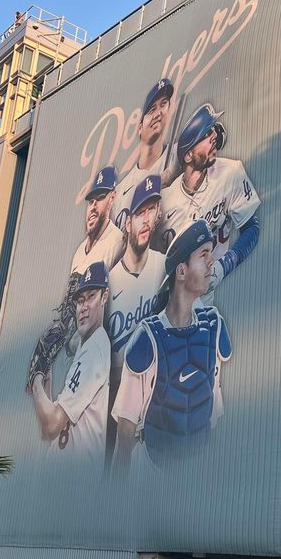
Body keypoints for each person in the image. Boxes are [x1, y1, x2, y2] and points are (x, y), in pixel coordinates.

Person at [111, 220, 232, 476]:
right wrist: (115, 504)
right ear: (181, 272)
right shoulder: (148, 338)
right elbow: (124, 434)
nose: (211, 262)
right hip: (152, 477)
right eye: (203, 255)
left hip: (196, 477)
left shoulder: (213, 327)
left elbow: (214, 413)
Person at [155, 103, 260, 289]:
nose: (214, 137)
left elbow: (252, 228)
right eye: (205, 135)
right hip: (177, 297)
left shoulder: (230, 173)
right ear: (188, 156)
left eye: (213, 131)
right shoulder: (164, 201)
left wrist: (225, 265)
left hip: (211, 287)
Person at [105, 174, 166, 458]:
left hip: (153, 393)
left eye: (151, 210)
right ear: (127, 222)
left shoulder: (165, 266)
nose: (145, 220)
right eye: (139, 212)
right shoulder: (108, 284)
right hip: (113, 396)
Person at [31, 262, 111, 470]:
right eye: (80, 301)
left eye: (91, 296)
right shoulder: (88, 347)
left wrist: (36, 382)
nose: (83, 307)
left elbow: (51, 426)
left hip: (74, 483)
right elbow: (49, 430)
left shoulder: (94, 349)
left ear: (105, 297)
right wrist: (46, 385)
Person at [112, 79, 174, 231]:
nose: (158, 113)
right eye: (151, 109)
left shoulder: (177, 158)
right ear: (140, 127)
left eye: (164, 104)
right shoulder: (120, 191)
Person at [71, 166, 124, 274]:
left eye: (100, 197)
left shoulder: (117, 242)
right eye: (91, 201)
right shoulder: (79, 251)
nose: (93, 206)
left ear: (112, 197)